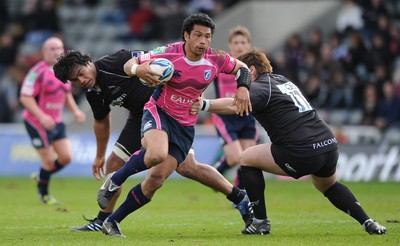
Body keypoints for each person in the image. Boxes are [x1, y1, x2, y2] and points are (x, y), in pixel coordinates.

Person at [53, 49, 253, 233]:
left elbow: (150, 57)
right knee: (113, 163)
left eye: (81, 72)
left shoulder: (115, 62)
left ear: (88, 62)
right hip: (141, 118)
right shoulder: (93, 93)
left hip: (167, 110)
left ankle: (238, 196)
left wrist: (146, 70)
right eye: (75, 80)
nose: (81, 79)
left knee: (187, 168)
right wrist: (98, 156)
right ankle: (102, 220)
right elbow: (102, 123)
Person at [95, 12, 252, 237]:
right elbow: (131, 63)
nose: (203, 41)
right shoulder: (168, 52)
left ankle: (112, 222)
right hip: (159, 111)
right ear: (186, 36)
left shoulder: (216, 58)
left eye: (207, 36)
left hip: (185, 123)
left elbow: (242, 68)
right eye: (197, 35)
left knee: (156, 180)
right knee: (157, 153)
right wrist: (138, 69)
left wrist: (243, 87)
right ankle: (115, 180)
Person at [201, 48, 387, 235]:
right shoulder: (282, 80)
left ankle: (259, 221)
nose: (237, 79)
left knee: (247, 157)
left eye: (239, 73)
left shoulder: (259, 87)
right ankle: (368, 222)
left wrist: (204, 104)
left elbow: (235, 105)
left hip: (301, 150)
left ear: (251, 70)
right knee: (328, 185)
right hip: (328, 145)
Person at [19, 37, 86, 205]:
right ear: (44, 52)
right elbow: (25, 97)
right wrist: (42, 116)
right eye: (52, 49)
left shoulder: (64, 71)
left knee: (66, 158)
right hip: (36, 121)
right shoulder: (37, 71)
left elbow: (66, 94)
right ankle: (44, 195)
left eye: (59, 48)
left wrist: (76, 111)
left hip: (56, 121)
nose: (57, 52)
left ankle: (41, 176)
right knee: (48, 161)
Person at [211, 25, 257, 190]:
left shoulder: (254, 67)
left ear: (249, 45)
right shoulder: (222, 62)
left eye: (243, 42)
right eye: (236, 42)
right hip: (225, 115)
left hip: (247, 115)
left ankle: (239, 192)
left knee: (250, 158)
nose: (239, 46)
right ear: (230, 45)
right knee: (235, 157)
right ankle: (217, 171)